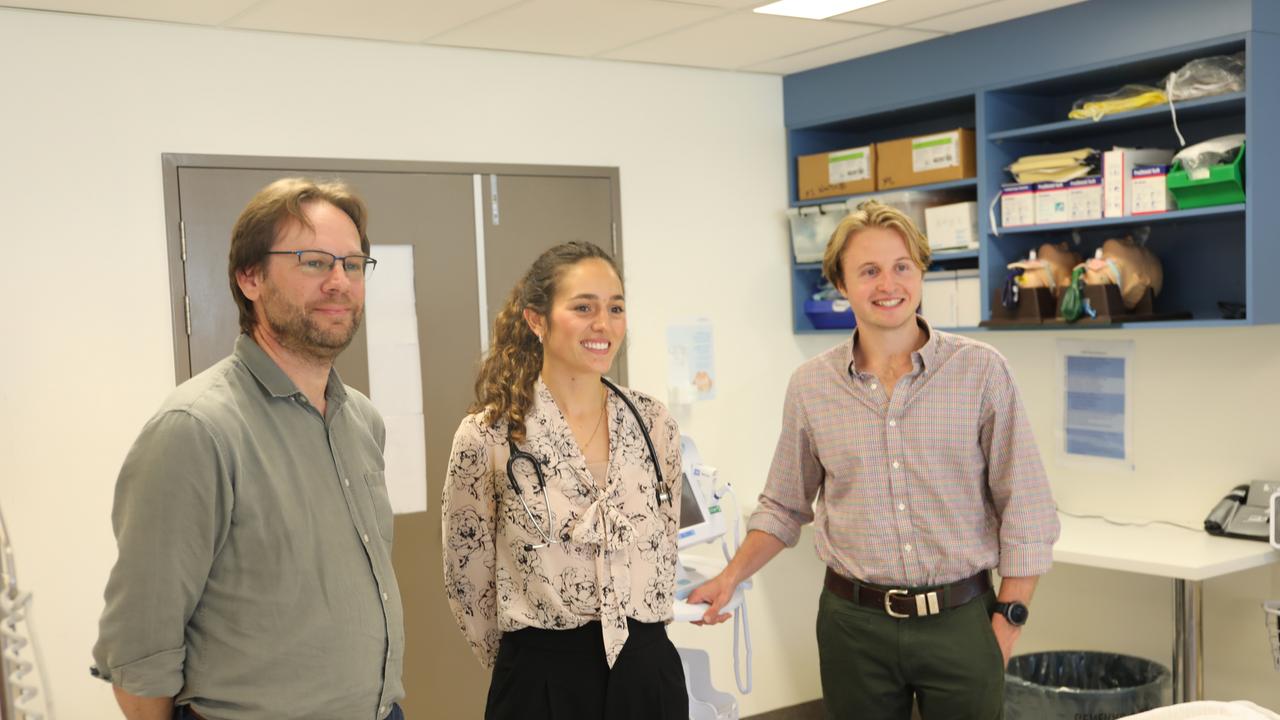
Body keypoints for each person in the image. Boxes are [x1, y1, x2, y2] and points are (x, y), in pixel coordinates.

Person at [690, 200, 1060, 719]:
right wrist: (729, 577)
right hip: (853, 628)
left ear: (921, 272)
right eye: (869, 271)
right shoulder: (811, 387)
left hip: (960, 621)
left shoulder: (980, 372)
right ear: (841, 285)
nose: (889, 284)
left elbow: (1027, 509)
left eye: (901, 267)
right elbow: (783, 505)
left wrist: (1007, 623)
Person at [92, 178, 405, 720]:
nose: (340, 282)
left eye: (353, 265)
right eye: (314, 262)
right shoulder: (195, 429)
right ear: (250, 277)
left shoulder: (362, 420)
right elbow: (140, 652)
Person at [442, 241, 688, 720]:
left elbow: (667, 541)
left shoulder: (654, 423)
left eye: (615, 308)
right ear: (537, 320)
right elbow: (466, 579)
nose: (604, 324)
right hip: (543, 680)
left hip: (648, 674)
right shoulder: (489, 435)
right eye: (583, 308)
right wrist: (527, 665)